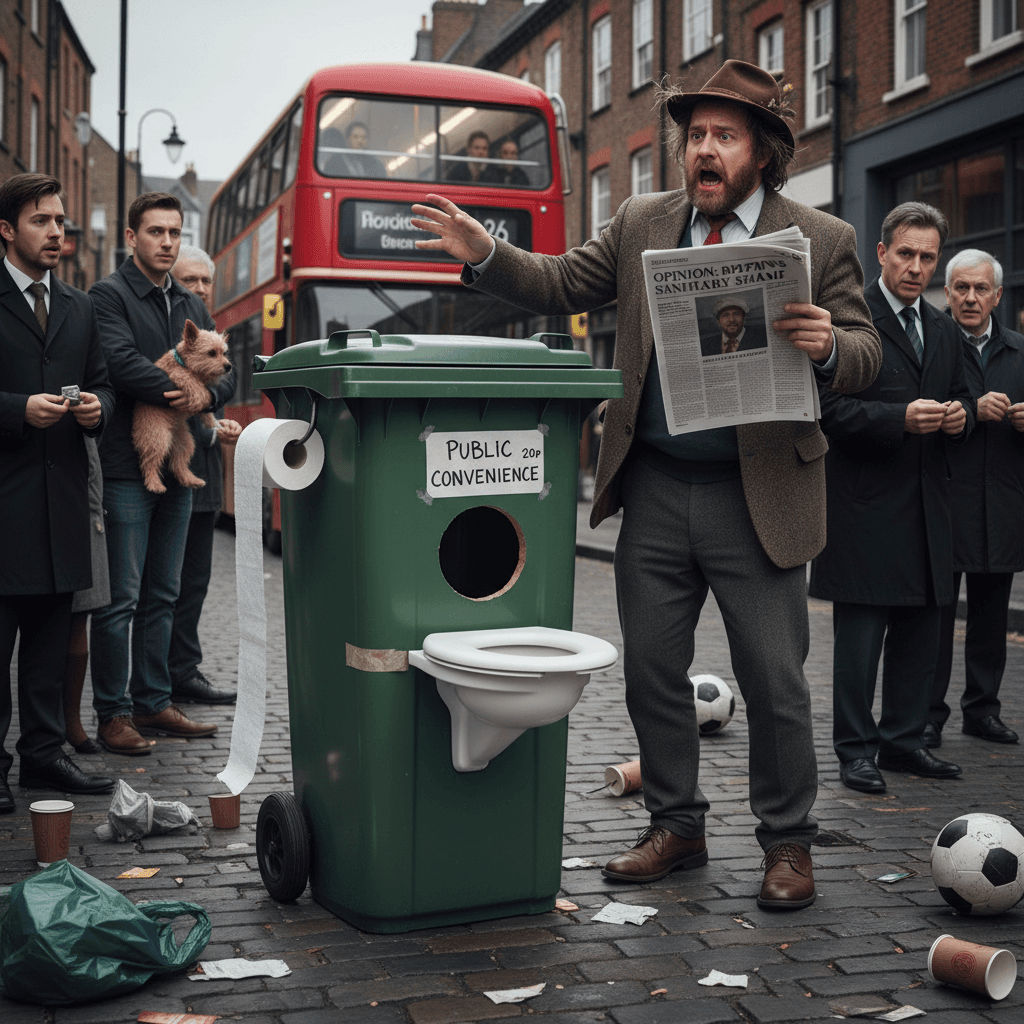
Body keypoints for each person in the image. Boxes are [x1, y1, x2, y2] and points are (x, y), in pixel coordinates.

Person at [412, 60, 882, 910]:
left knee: (775, 682)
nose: (705, 150)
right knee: (652, 674)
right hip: (658, 487)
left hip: (759, 495)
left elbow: (866, 354)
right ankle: (676, 826)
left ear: (763, 152)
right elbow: (560, 282)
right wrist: (487, 253)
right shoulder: (642, 221)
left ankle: (787, 841)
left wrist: (827, 347)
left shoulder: (821, 236)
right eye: (695, 134)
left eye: (724, 136)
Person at [809, 202, 974, 795]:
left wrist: (962, 417)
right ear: (881, 253)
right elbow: (825, 410)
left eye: (928, 257)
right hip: (865, 510)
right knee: (859, 646)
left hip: (929, 512)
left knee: (920, 637)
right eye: (906, 253)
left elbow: (965, 396)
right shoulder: (851, 320)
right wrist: (897, 418)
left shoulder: (945, 329)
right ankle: (856, 751)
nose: (917, 267)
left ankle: (904, 742)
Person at [88, 193, 236, 756]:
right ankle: (113, 714)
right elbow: (121, 365)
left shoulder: (190, 302)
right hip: (126, 468)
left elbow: (225, 375)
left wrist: (206, 395)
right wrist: (193, 394)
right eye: (156, 231)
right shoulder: (108, 296)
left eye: (175, 232)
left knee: (163, 595)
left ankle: (153, 700)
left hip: (180, 467)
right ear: (132, 237)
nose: (168, 242)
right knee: (121, 599)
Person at [0, 173, 116, 805]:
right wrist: (17, 409)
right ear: (6, 230)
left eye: (60, 221)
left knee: (48, 648)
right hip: (6, 504)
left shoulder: (79, 306)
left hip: (61, 505)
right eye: (41, 220)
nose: (55, 232)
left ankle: (43, 758)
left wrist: (98, 408)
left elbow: (105, 385)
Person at [926, 250, 1023, 748]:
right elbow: (914, 416)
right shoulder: (931, 342)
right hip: (945, 502)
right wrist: (968, 409)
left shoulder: (1020, 351)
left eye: (980, 288)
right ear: (947, 292)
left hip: (1001, 505)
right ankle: (927, 715)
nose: (970, 297)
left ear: (997, 295)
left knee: (991, 614)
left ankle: (982, 711)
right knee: (936, 620)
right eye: (961, 288)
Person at [167, 245, 240, 704]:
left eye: (205, 281)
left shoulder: (212, 334)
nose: (199, 288)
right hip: (171, 473)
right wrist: (211, 424)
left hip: (205, 478)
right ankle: (157, 679)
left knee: (194, 583)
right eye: (188, 279)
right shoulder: (172, 330)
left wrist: (216, 416)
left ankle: (183, 671)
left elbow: (227, 379)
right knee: (163, 586)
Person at [62, 435, 108, 755]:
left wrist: (97, 413)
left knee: (80, 609)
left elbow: (105, 404)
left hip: (77, 452)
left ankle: (71, 721)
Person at [700, 297, 768, 356]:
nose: (731, 319)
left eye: (736, 314)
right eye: (725, 315)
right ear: (718, 321)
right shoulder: (705, 344)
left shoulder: (762, 339)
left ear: (744, 318)